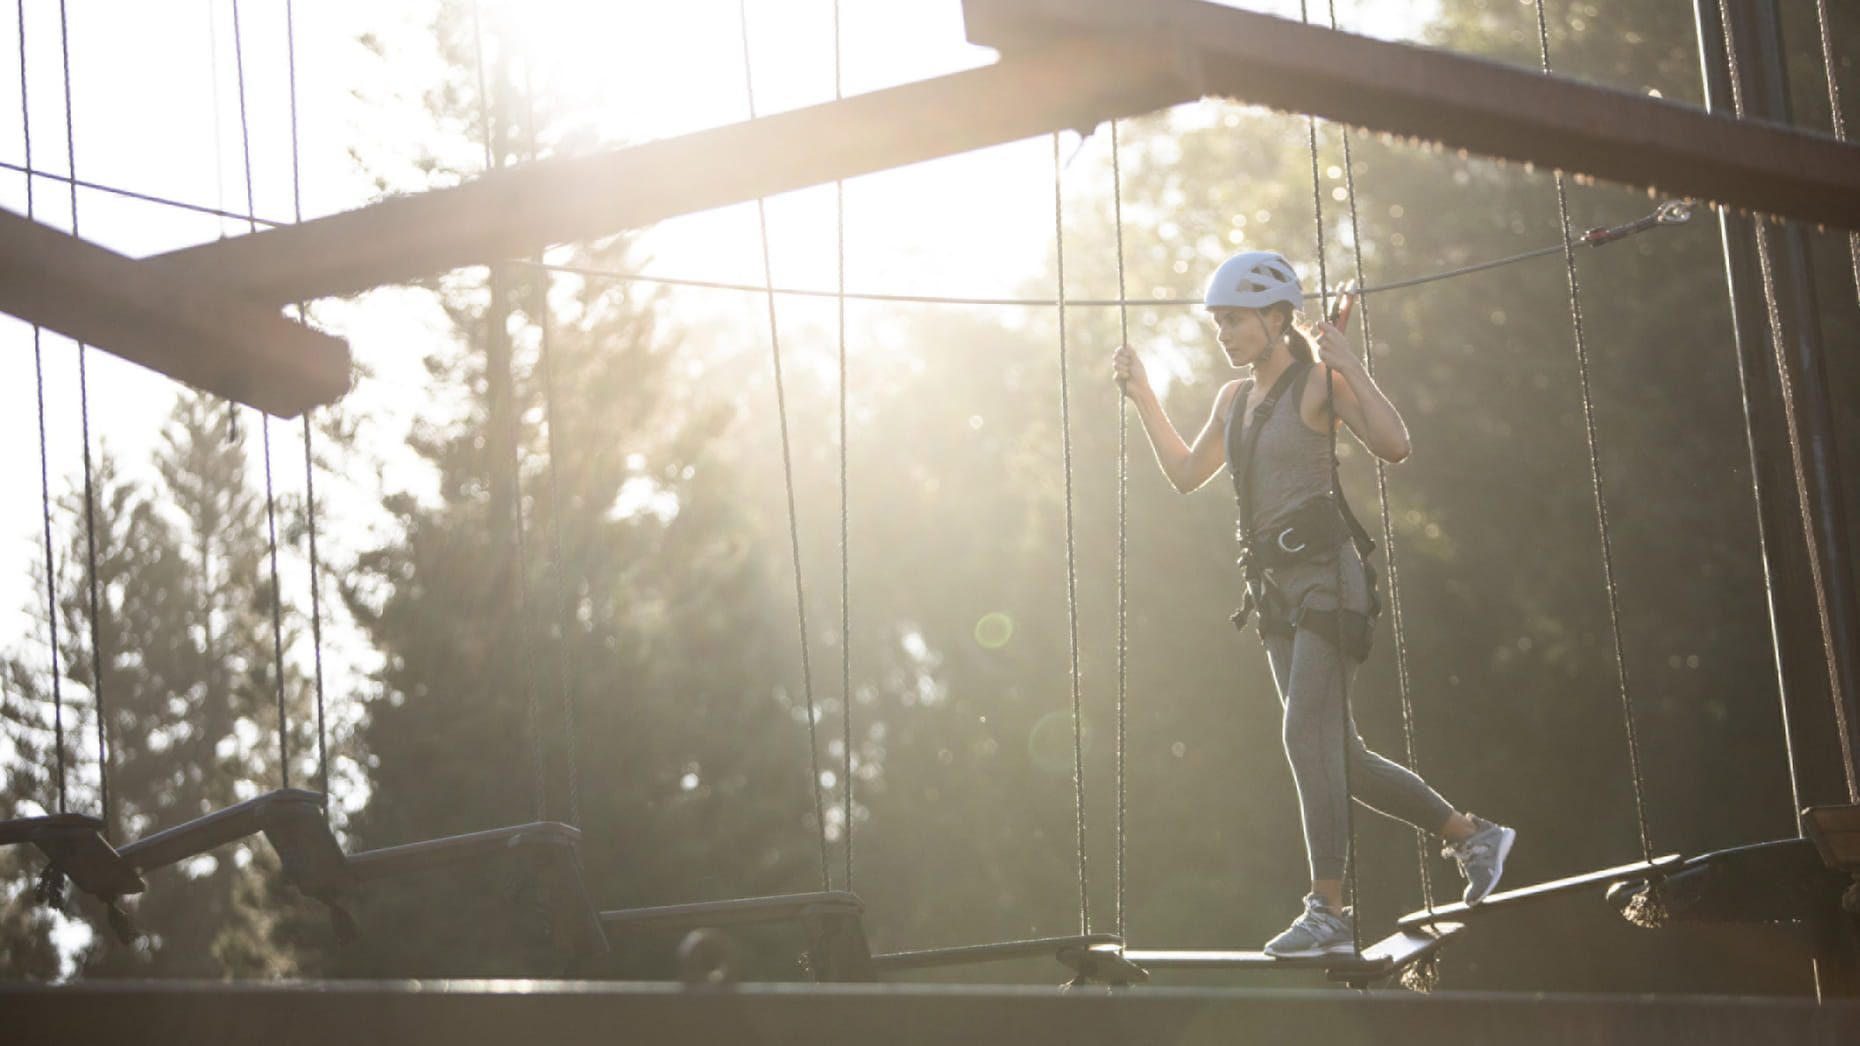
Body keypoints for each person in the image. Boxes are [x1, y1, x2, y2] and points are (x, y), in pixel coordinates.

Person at [1110, 250, 1515, 959]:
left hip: (1330, 581)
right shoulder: (1232, 401)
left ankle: (1326, 912)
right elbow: (1183, 475)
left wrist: (1350, 362)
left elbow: (1395, 444)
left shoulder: (1318, 384)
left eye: (1234, 319)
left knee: (1305, 737)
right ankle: (1472, 834)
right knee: (1342, 758)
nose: (1223, 333)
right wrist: (1144, 393)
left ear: (1275, 319)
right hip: (1275, 597)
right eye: (1217, 322)